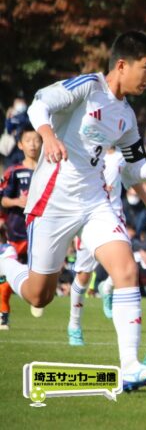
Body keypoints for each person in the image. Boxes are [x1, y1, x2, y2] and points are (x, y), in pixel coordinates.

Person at [0, 31, 146, 391]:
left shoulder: (126, 116)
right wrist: (49, 135)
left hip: (96, 203)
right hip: (52, 202)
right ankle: (5, 260)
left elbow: (132, 171)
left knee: (126, 269)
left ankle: (130, 367)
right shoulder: (87, 87)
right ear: (122, 65)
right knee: (39, 295)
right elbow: (37, 104)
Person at [67, 146, 146, 345]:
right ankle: (74, 325)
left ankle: (107, 287)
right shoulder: (85, 152)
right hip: (89, 220)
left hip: (115, 217)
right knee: (83, 276)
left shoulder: (120, 156)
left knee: (127, 267)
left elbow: (134, 180)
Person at [0, 124, 42, 328]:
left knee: (40, 273)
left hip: (42, 233)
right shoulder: (14, 171)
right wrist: (18, 201)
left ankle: (36, 297)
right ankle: (3, 313)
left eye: (36, 140)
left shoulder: (50, 170)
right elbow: (3, 200)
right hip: (17, 233)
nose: (33, 144)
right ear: (20, 144)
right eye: (28, 140)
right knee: (9, 274)